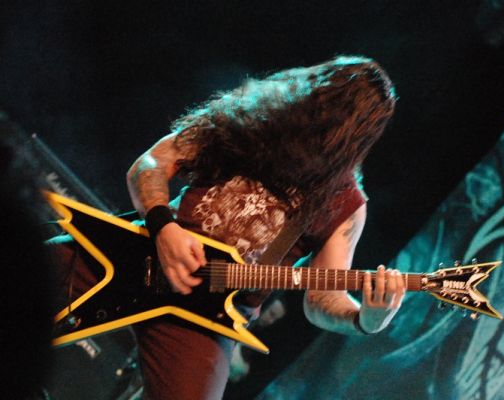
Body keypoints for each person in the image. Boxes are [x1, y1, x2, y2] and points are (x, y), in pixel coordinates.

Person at [125, 55, 405, 399]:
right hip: (140, 252)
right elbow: (152, 162)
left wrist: (366, 319)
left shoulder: (345, 202)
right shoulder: (253, 118)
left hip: (209, 318)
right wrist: (163, 227)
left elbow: (323, 297)